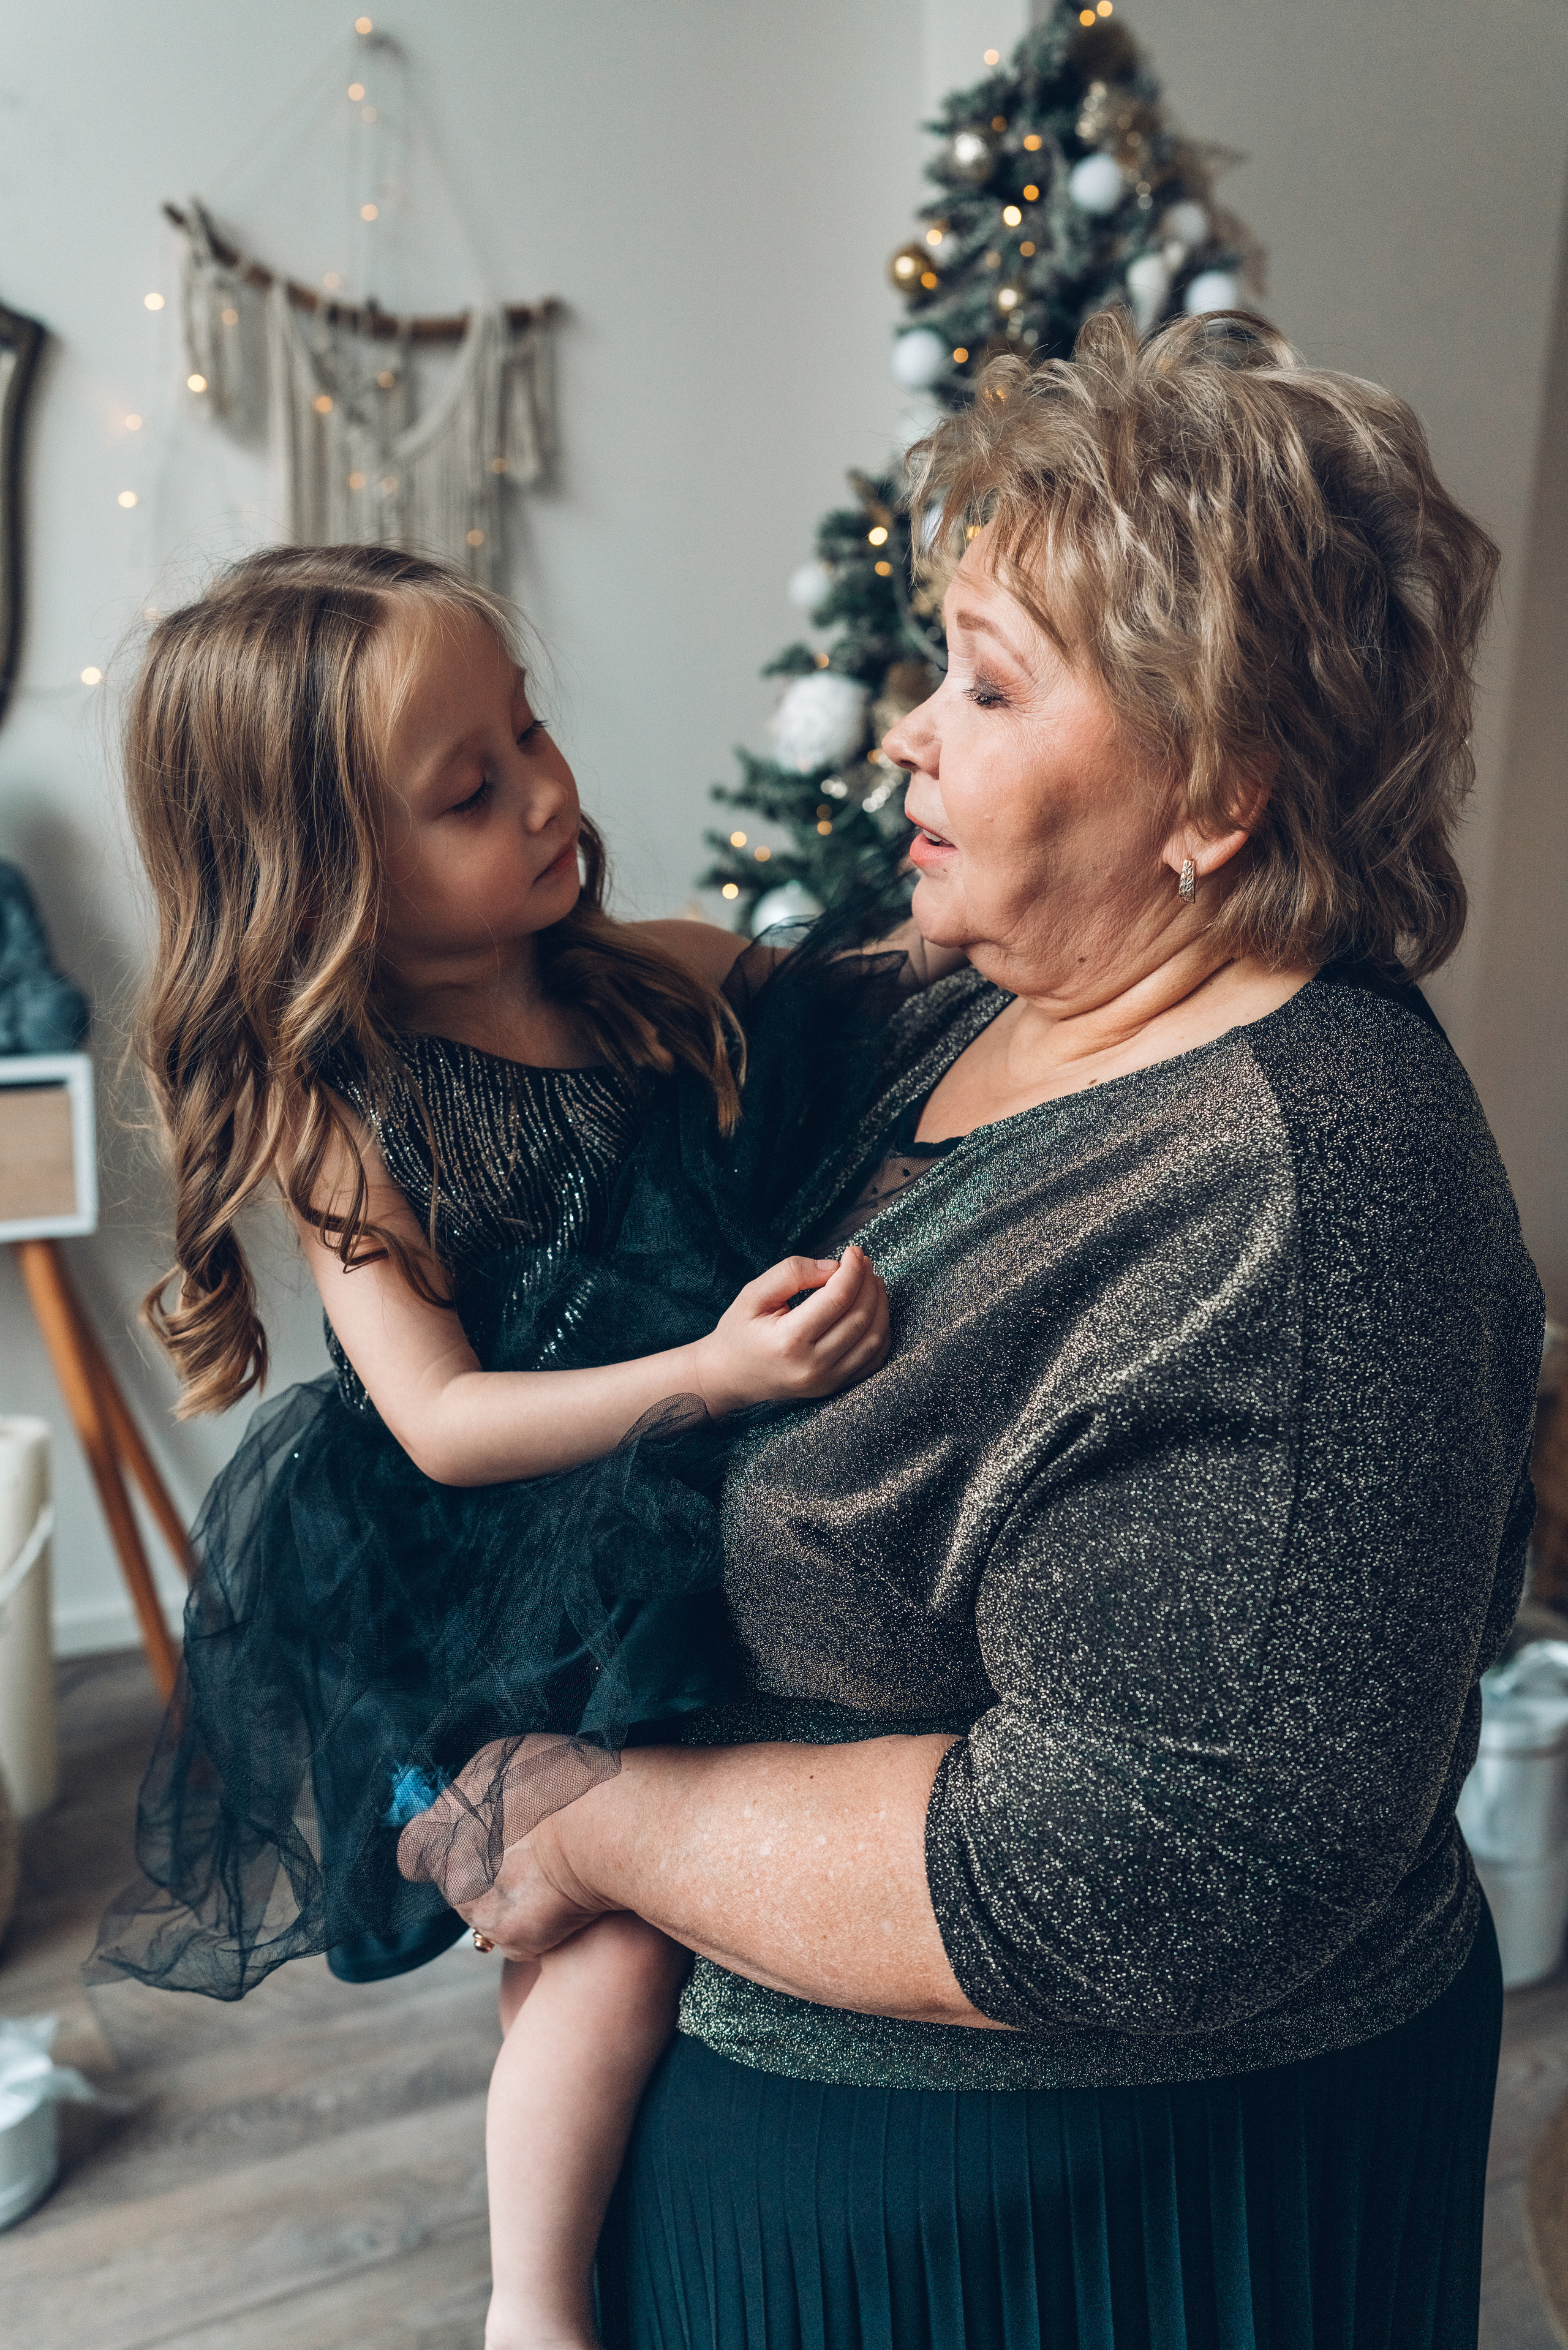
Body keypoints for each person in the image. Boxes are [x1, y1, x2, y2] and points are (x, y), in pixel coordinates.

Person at [421, 313, 1545, 2350]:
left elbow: (1151, 1867)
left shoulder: (1310, 1201)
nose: (901, 734)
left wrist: (601, 1818)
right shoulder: (956, 996)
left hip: (1090, 2235)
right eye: (935, 660)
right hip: (792, 2164)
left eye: (988, 683)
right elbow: (605, 1036)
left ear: (1215, 795)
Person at [89, 542, 899, 2350]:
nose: (549, 792)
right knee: (598, 1942)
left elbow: (865, 988)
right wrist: (713, 1371)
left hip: (673, 1516)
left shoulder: (643, 985)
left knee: (633, 1906)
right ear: (327, 887)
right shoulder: (345, 1112)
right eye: (471, 790)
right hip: (480, 1588)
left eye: (529, 733)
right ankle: (531, 2307)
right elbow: (446, 1426)